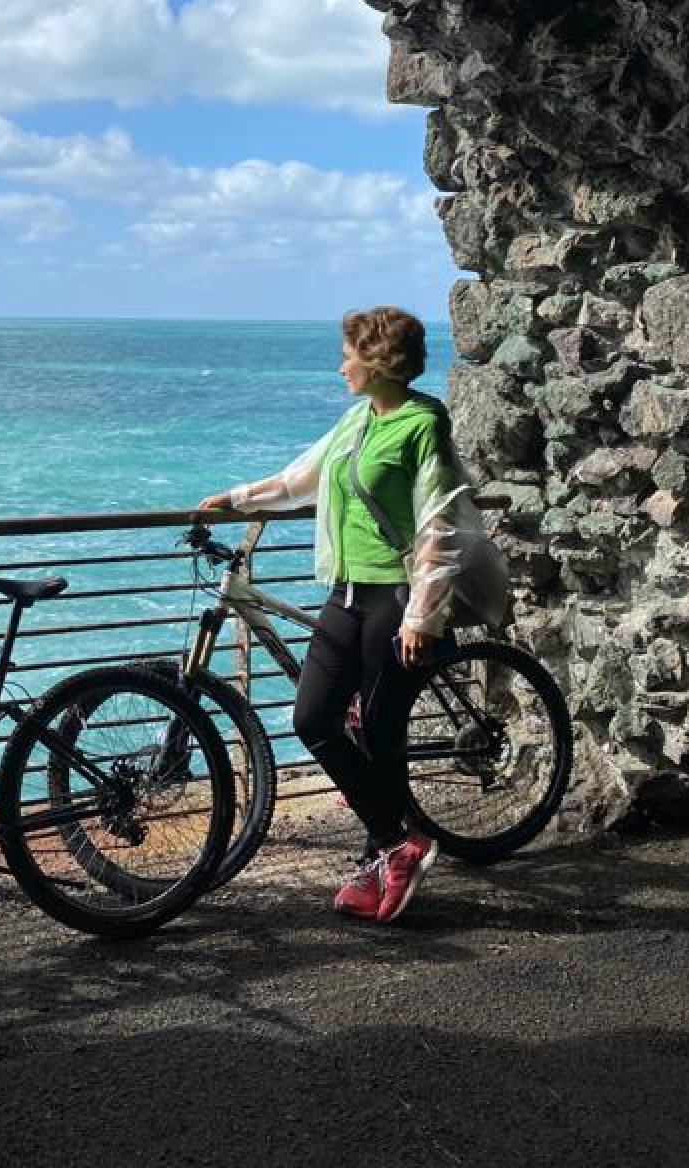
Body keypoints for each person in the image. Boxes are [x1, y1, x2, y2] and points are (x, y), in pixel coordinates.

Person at [197, 305, 467, 924]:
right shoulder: (357, 419)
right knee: (314, 718)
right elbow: (303, 479)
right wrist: (235, 500)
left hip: (396, 596)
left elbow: (438, 523)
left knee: (378, 731)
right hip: (346, 593)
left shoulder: (423, 423)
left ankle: (385, 855)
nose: (341, 364)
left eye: (349, 354)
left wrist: (423, 616)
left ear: (378, 361)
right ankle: (401, 844)